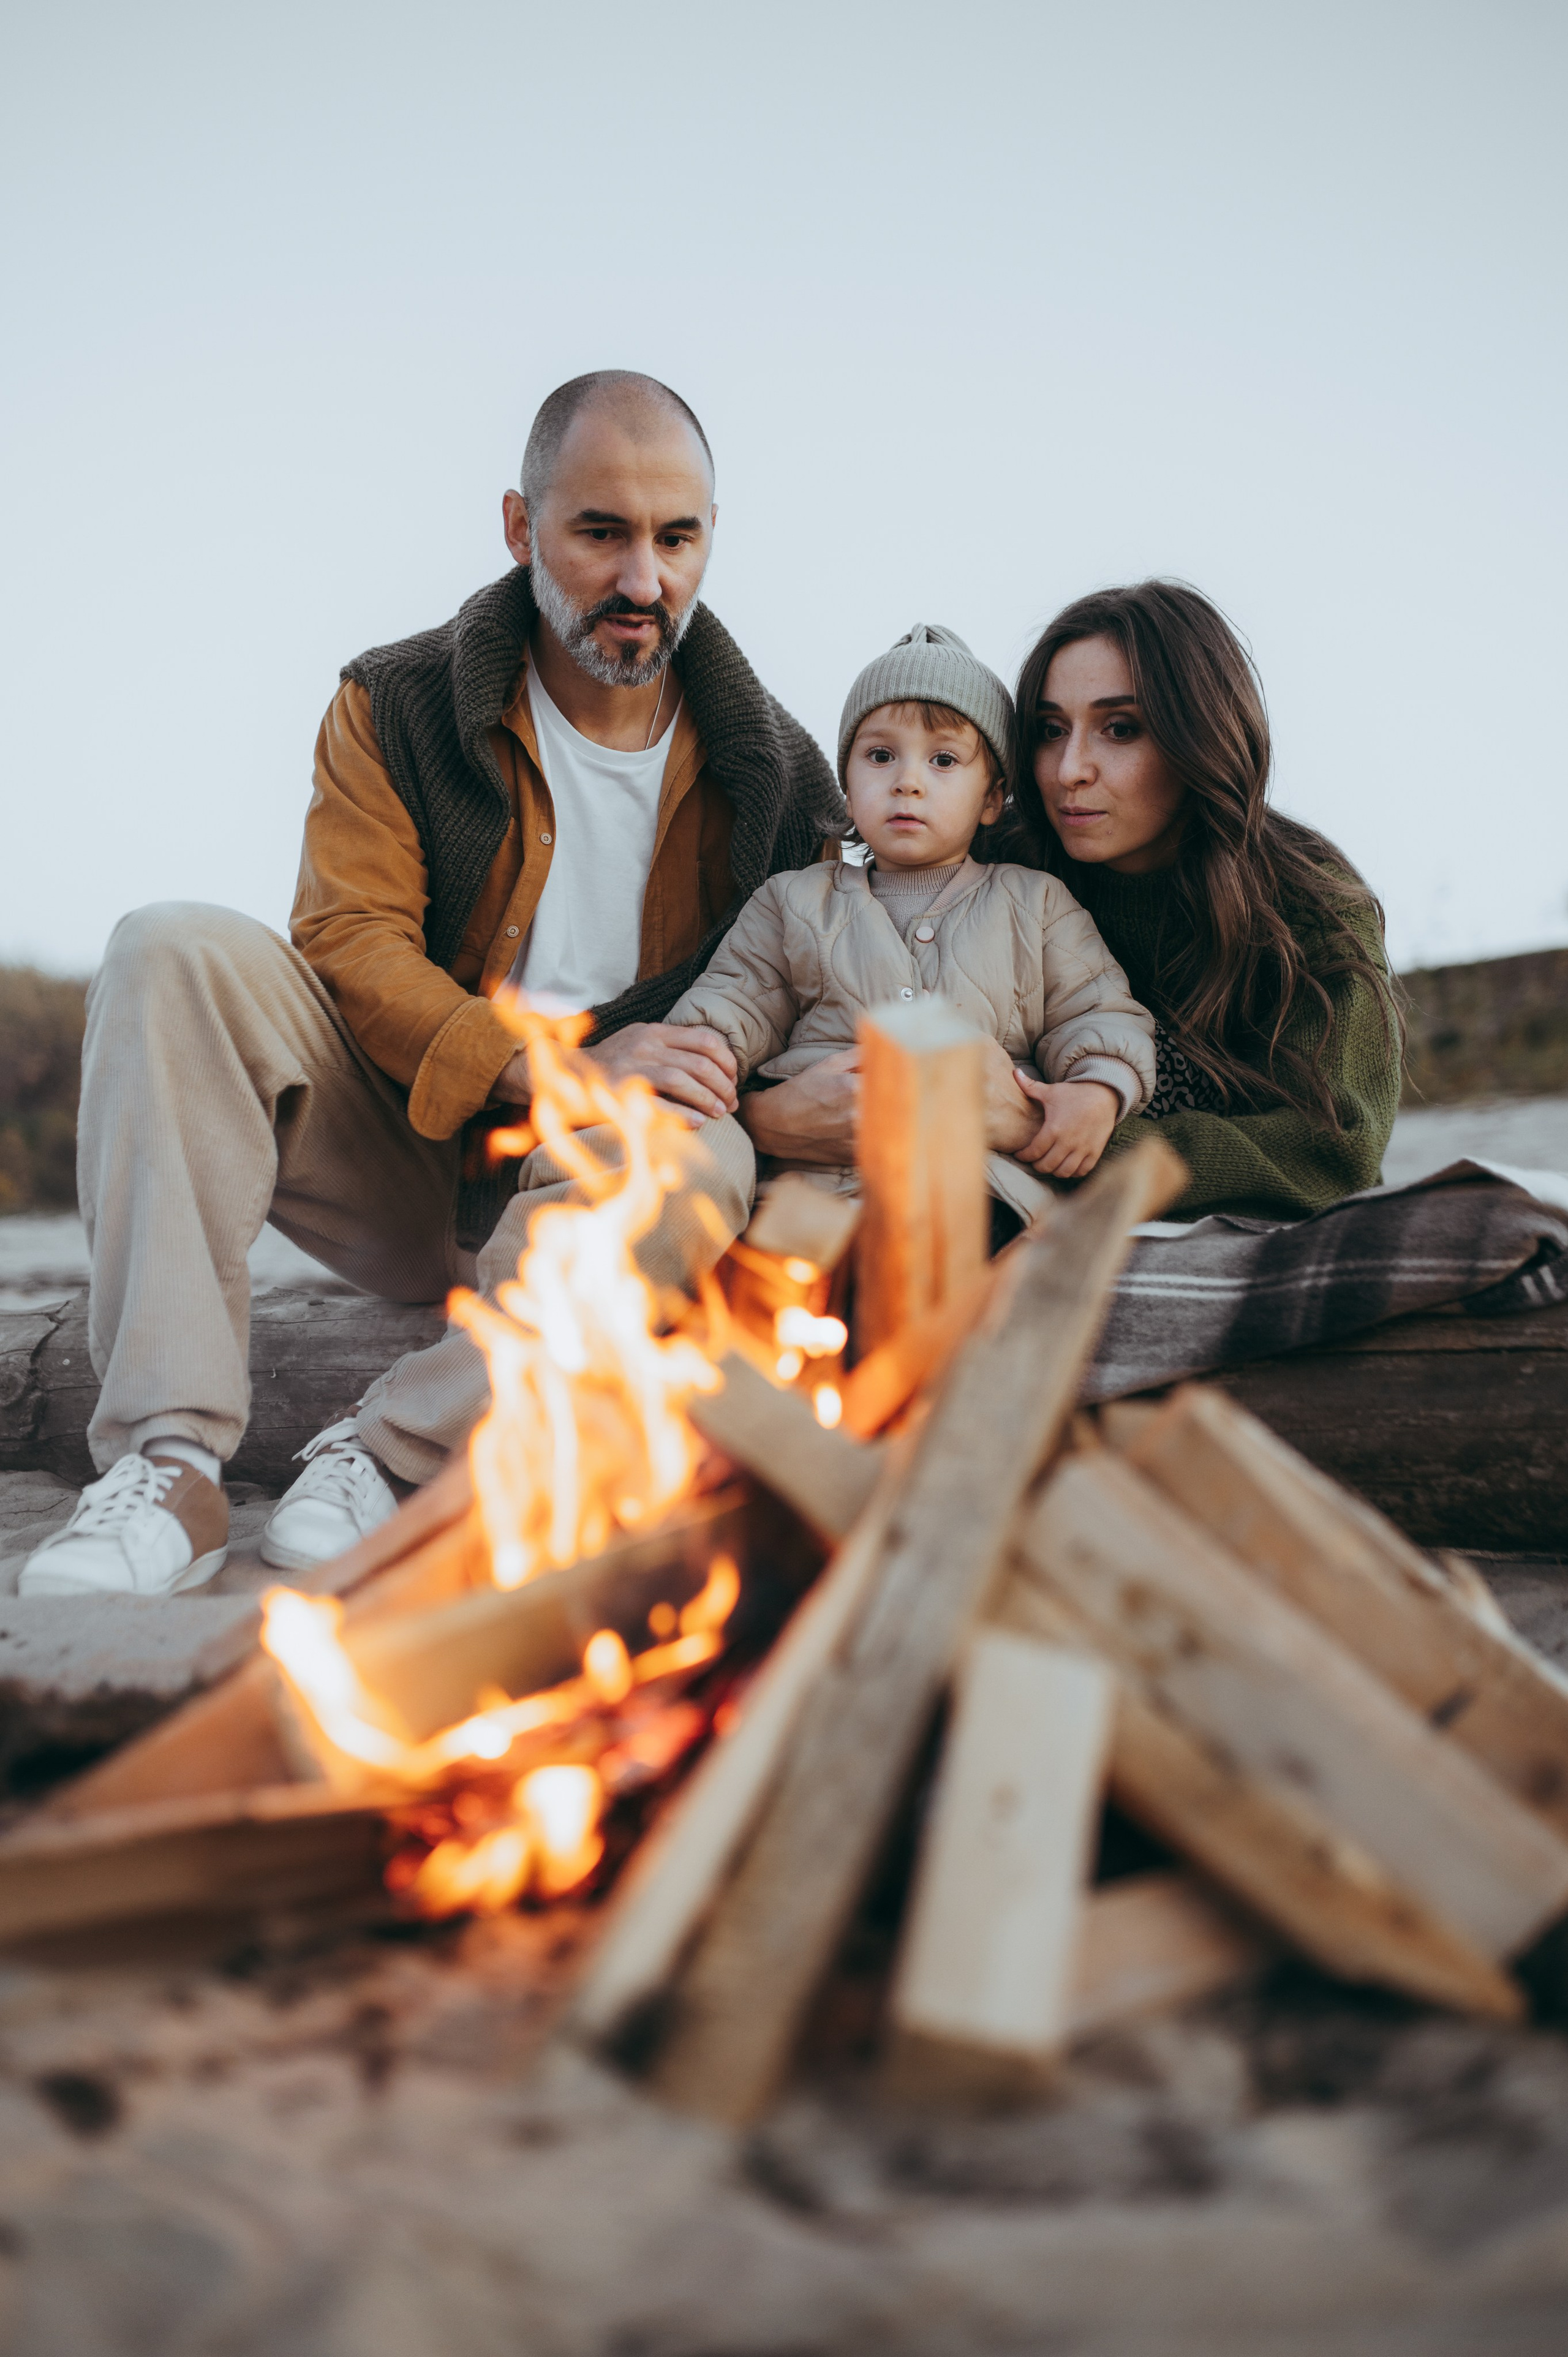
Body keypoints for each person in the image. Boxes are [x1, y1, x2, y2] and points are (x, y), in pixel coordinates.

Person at [23, 372, 845, 1599]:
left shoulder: (778, 775)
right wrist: (552, 1064)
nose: (642, 582)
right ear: (520, 529)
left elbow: (809, 1008)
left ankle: (388, 1450)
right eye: (600, 533)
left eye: (675, 538)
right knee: (166, 945)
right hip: (404, 1166)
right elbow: (347, 943)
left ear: (708, 535)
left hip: (606, 1199)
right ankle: (171, 1463)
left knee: (698, 1150)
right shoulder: (395, 702)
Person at [744, 584, 1400, 1224]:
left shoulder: (1305, 901)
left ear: (1198, 734)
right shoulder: (1003, 862)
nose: (1068, 770)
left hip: (1196, 1228)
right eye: (1051, 730)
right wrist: (768, 1116)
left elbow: (1335, 1151)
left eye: (1120, 728)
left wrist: (1043, 1129)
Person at [660, 624, 1156, 1224]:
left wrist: (1096, 1093)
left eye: (943, 759)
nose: (907, 780)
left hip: (981, 1192)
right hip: (819, 1194)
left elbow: (1097, 1011)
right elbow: (732, 1001)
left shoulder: (1036, 903)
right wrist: (700, 1062)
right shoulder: (791, 902)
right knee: (781, 1277)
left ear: (992, 797)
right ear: (847, 786)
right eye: (879, 755)